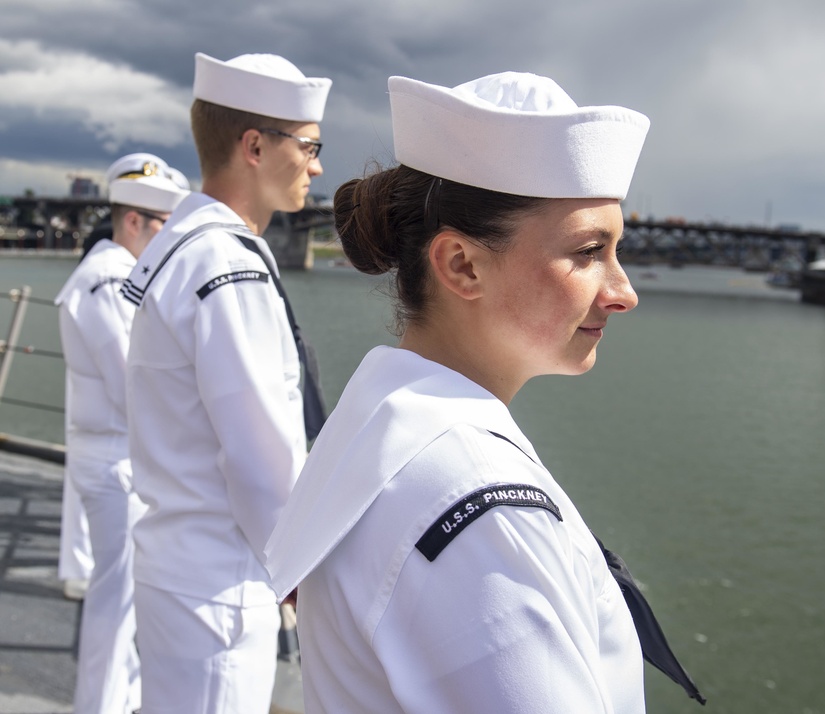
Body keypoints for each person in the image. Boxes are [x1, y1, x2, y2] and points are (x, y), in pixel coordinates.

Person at [266, 72, 703, 713]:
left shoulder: (381, 433)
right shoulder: (481, 518)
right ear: (462, 265)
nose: (623, 291)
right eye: (588, 252)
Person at [119, 52, 330, 714]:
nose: (318, 166)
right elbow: (260, 459)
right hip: (220, 585)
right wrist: (301, 580)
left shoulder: (190, 249)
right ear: (255, 147)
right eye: (310, 146)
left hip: (184, 573)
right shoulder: (226, 269)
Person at [55, 152, 189, 714]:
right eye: (161, 225)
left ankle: (122, 698)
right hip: (114, 461)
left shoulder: (106, 277)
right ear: (134, 221)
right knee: (116, 600)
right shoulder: (108, 281)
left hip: (107, 456)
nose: (164, 238)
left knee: (122, 596)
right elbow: (129, 384)